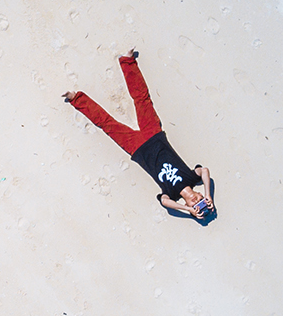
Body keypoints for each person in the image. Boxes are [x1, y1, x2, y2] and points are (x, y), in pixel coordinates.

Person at [64, 51, 214, 219]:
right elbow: (205, 171)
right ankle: (127, 61)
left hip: (138, 149)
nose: (196, 200)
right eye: (200, 199)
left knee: (107, 124)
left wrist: (188, 210)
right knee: (142, 99)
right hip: (155, 135)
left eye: (196, 205)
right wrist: (208, 195)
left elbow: (165, 202)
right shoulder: (191, 178)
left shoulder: (171, 193)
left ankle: (76, 99)